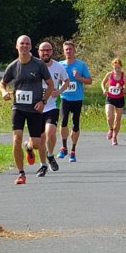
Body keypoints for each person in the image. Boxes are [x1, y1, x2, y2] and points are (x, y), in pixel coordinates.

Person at [0, 36, 53, 185]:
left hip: (35, 108)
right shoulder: (13, 66)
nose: (24, 46)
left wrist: (43, 101)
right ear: (17, 46)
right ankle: (21, 173)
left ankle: (28, 147)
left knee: (36, 143)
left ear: (31, 47)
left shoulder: (39, 64)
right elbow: (2, 84)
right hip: (18, 107)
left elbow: (50, 85)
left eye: (27, 44)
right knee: (16, 138)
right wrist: (3, 92)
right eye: (22, 43)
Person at [34, 42, 69, 176]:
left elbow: (67, 81)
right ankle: (36, 156)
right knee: (38, 140)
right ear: (39, 52)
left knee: (50, 133)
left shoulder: (58, 66)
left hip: (51, 106)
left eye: (48, 50)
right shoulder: (34, 65)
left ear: (52, 52)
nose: (46, 53)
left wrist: (59, 91)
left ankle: (49, 156)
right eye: (43, 51)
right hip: (37, 107)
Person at [57, 40, 92, 163]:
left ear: (74, 50)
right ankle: (64, 147)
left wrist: (79, 78)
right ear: (63, 51)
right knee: (64, 121)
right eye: (66, 49)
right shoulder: (60, 65)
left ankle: (73, 150)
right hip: (65, 98)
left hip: (77, 98)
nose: (68, 51)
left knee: (75, 124)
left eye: (70, 49)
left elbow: (90, 81)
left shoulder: (81, 65)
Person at [100, 58, 126, 146]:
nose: (117, 70)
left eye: (119, 68)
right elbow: (102, 83)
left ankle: (114, 137)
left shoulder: (124, 76)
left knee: (117, 119)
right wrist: (103, 89)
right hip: (110, 98)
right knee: (109, 116)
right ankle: (110, 129)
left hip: (120, 99)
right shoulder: (109, 75)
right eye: (115, 67)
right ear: (112, 67)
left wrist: (121, 88)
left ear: (121, 67)